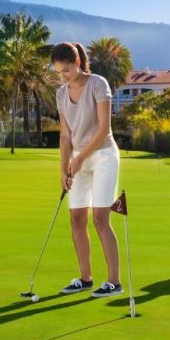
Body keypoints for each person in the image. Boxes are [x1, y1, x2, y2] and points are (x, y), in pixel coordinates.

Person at [52, 42, 123, 297]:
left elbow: (104, 128)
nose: (64, 76)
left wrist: (80, 158)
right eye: (59, 72)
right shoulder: (61, 94)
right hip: (78, 160)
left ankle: (114, 282)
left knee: (100, 220)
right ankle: (85, 278)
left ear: (78, 63)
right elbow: (64, 136)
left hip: (103, 154)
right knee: (76, 219)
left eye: (67, 70)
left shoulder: (98, 84)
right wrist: (63, 169)